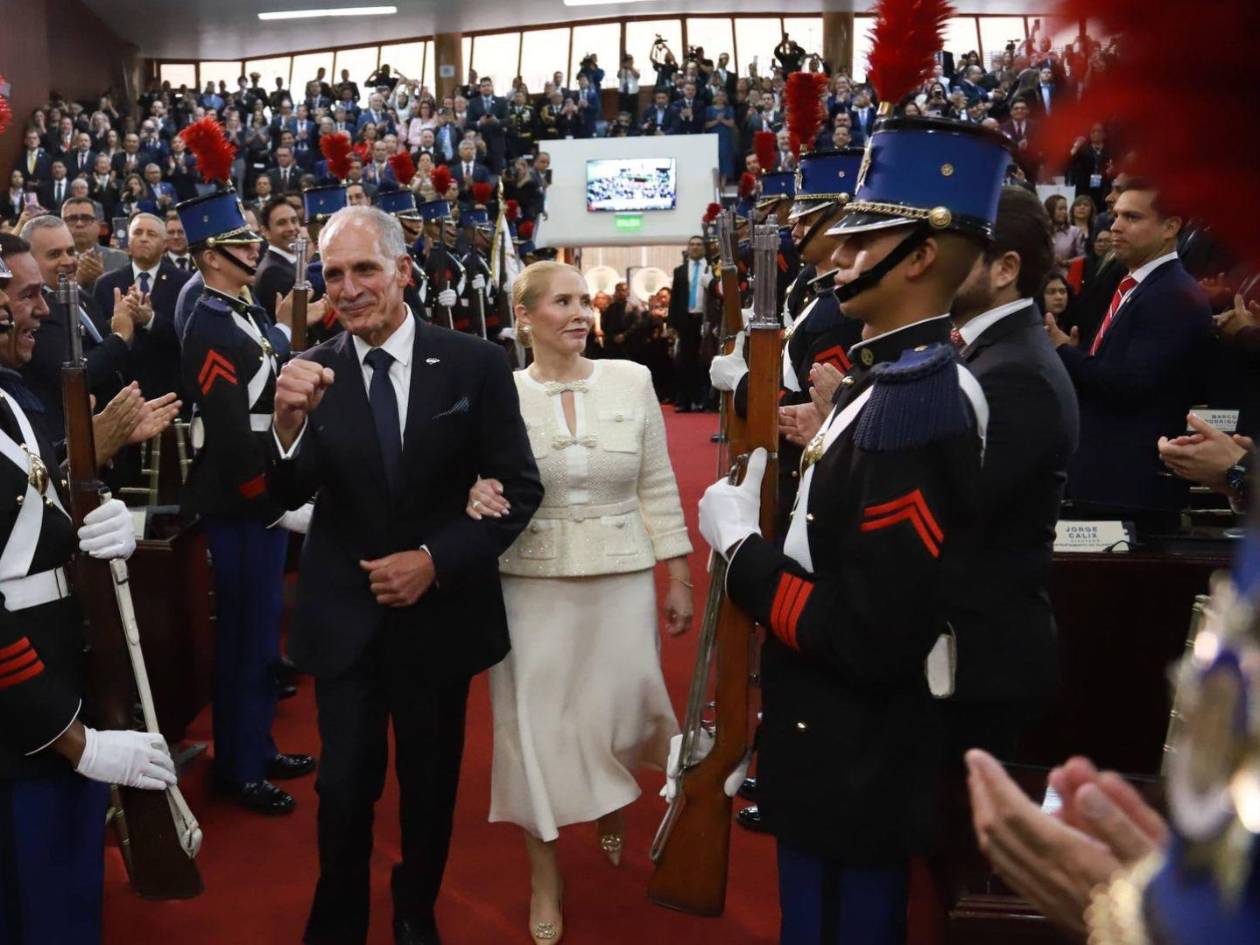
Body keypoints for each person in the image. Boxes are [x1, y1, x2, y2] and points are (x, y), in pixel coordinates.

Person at [697, 114, 1010, 945]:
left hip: (856, 743)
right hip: (831, 736)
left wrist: (742, 553)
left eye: (863, 238)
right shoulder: (885, 382)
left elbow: (869, 633)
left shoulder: (919, 404)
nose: (836, 254)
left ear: (922, 256)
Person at [267, 206, 543, 945]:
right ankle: (338, 922)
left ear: (402, 272)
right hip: (343, 623)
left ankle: (416, 910)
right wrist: (286, 426)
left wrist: (433, 560)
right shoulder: (310, 371)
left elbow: (518, 485)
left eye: (364, 269)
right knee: (342, 790)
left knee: (429, 788)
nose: (349, 288)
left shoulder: (475, 363)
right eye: (334, 274)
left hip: (439, 621)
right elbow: (277, 492)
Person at [465, 261, 693, 945]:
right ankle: (544, 875)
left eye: (582, 301)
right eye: (561, 302)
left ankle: (608, 791)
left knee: (621, 712)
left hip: (621, 576)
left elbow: (657, 481)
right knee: (533, 729)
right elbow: (470, 478)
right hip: (529, 583)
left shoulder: (634, 379)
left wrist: (678, 574)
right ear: (525, 316)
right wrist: (470, 492)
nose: (578, 314)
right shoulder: (496, 392)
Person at [0, 235, 177, 945]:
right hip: (24, 725)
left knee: (69, 907)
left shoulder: (12, 398)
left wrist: (92, 528)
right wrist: (74, 742)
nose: (42, 306)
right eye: (26, 294)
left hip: (59, 687)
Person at [175, 182, 314, 817]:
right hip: (238, 499)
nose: (253, 251)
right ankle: (237, 766)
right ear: (210, 257)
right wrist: (267, 498)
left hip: (260, 485)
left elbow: (273, 362)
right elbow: (230, 430)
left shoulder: (245, 313)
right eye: (239, 245)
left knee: (260, 637)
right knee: (243, 638)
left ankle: (256, 746)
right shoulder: (207, 323)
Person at [945, 186, 1078, 761]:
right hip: (968, 649)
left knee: (962, 841)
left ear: (1005, 269)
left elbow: (955, 506)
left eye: (953, 252)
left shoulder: (1015, 371)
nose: (930, 264)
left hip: (982, 659)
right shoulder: (994, 352)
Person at [1045, 181, 1214, 514]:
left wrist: (1064, 351)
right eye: (1117, 215)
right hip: (1108, 477)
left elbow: (1130, 385)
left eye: (1132, 217)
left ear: (1170, 227)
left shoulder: (1172, 294)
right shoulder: (1140, 284)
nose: (1116, 226)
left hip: (1131, 486)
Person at [667, 236, 712, 413]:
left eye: (698, 245)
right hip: (685, 321)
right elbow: (674, 299)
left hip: (705, 320)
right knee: (685, 362)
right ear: (688, 248)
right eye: (692, 245)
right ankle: (683, 400)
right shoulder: (680, 271)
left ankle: (701, 399)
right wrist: (671, 324)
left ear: (704, 248)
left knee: (704, 361)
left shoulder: (710, 269)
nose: (695, 248)